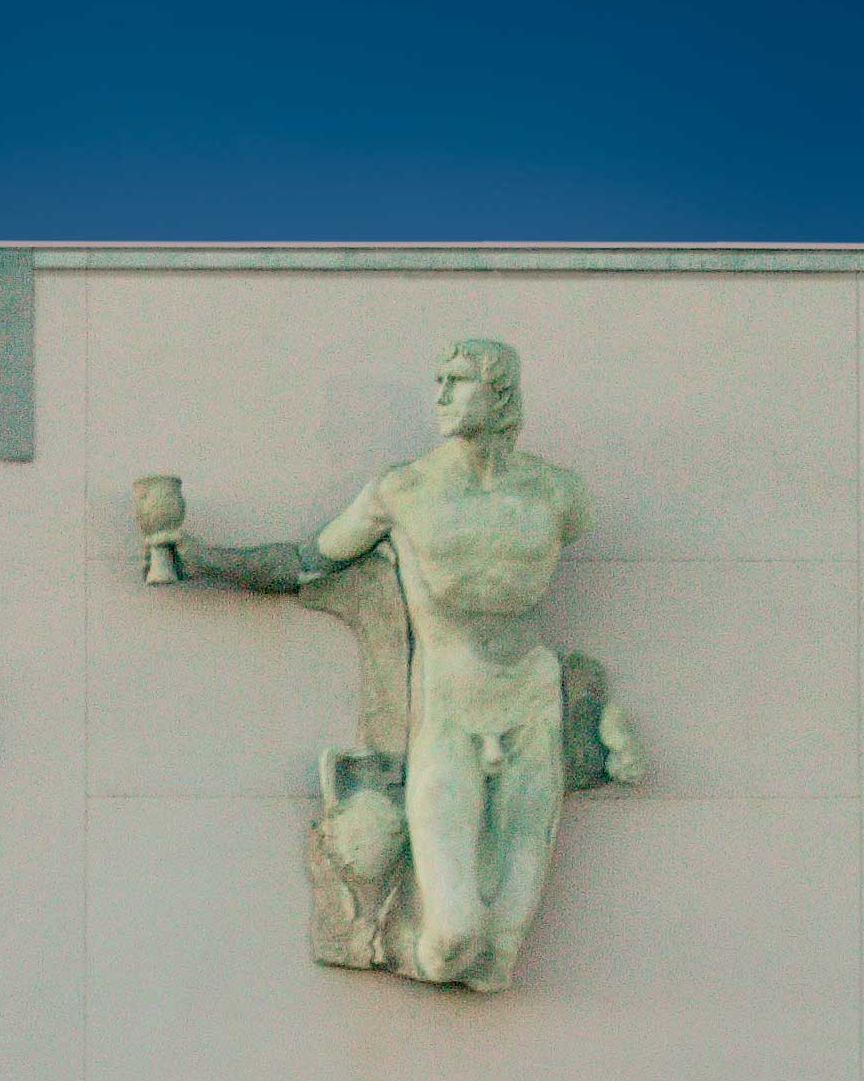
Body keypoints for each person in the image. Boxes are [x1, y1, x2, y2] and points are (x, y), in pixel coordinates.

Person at [148, 340, 627, 991]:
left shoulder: (560, 494)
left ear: (503, 395)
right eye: (437, 381)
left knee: (498, 957)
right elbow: (304, 560)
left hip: (531, 704)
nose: (438, 397)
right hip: (450, 710)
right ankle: (382, 935)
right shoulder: (403, 490)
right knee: (453, 937)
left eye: (455, 383)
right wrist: (205, 559)